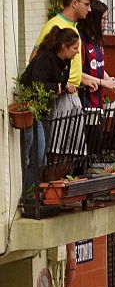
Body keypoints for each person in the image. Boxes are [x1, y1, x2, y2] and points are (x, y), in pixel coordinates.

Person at [21, 27, 78, 190]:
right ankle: (29, 193)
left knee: (42, 155)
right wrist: (58, 87)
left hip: (46, 110)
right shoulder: (45, 59)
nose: (77, 53)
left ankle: (34, 192)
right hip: (33, 110)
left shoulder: (66, 62)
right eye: (74, 48)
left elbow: (60, 81)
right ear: (64, 47)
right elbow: (37, 83)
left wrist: (64, 85)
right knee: (36, 156)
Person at [77, 0, 115, 155]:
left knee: (97, 143)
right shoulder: (80, 40)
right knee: (91, 145)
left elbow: (99, 66)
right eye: (103, 19)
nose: (105, 23)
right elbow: (77, 73)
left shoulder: (97, 41)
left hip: (97, 102)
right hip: (85, 103)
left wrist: (109, 80)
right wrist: (104, 83)